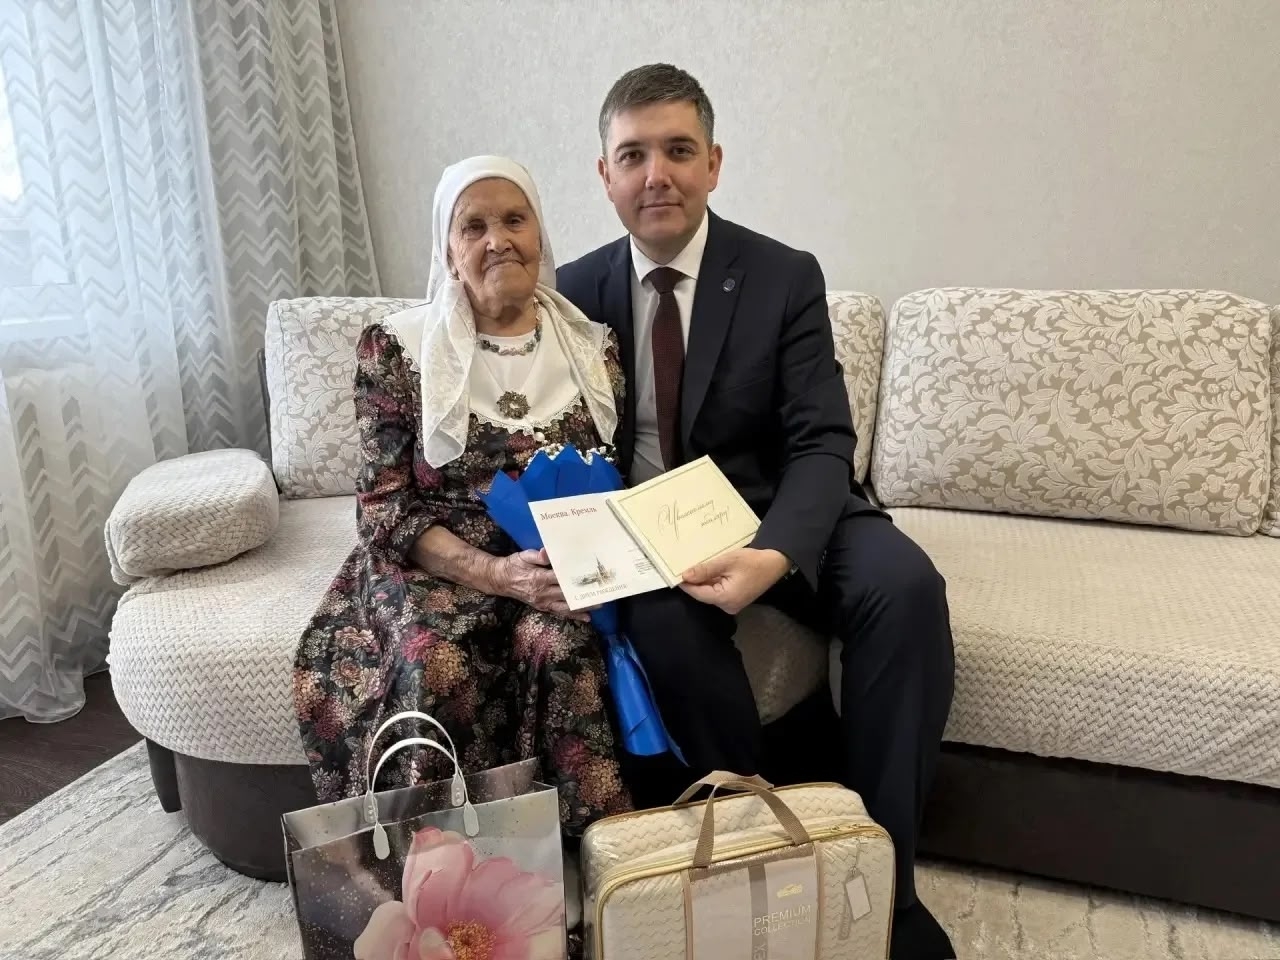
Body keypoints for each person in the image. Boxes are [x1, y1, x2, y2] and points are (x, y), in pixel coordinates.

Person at [556, 65, 957, 958]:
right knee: (664, 630)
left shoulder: (781, 275)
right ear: (605, 175)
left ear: (714, 164)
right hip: (652, 537)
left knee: (907, 590)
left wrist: (775, 555)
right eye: (634, 155)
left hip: (783, 507)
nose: (657, 174)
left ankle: (884, 892)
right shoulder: (572, 293)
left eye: (678, 150)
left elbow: (823, 440)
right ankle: (765, 868)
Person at [294, 155, 633, 838]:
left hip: (550, 571)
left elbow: (611, 478)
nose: (497, 240)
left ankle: (583, 856)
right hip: (435, 564)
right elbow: (383, 508)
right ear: (448, 252)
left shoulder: (593, 348)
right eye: (472, 227)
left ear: (539, 235)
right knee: (434, 659)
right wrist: (498, 575)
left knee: (564, 646)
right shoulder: (398, 348)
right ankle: (432, 865)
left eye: (514, 220)